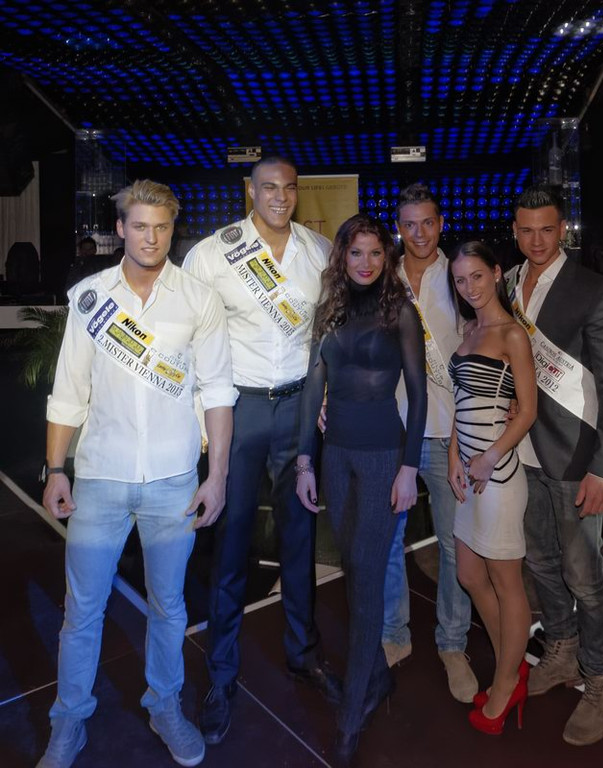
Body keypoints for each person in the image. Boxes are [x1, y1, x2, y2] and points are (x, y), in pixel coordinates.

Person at [38, 179, 238, 768]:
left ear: (173, 230)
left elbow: (217, 392)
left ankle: (164, 705)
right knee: (81, 612)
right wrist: (56, 469)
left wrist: (217, 477)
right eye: (140, 226)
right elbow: (68, 392)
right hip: (99, 479)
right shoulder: (90, 299)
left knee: (169, 608)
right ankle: (68, 721)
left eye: (162, 227)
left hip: (174, 481)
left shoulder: (198, 299)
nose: (151, 238)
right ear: (121, 228)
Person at [183, 156, 339, 747]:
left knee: (301, 537)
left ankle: (303, 654)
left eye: (289, 188)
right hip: (238, 409)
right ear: (249, 191)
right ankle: (221, 675)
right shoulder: (212, 254)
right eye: (268, 187)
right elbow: (190, 342)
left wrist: (326, 397)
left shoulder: (319, 252)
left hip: (299, 408)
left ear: (298, 193)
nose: (279, 197)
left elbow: (328, 334)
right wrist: (203, 424)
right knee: (230, 543)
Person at [296, 213, 427, 766]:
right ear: (342, 257)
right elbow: (313, 387)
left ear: (386, 257)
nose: (366, 263)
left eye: (376, 253)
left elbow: (418, 394)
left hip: (381, 459)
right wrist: (305, 460)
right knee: (354, 567)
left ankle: (351, 714)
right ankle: (377, 676)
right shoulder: (329, 309)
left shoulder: (401, 312)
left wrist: (409, 468)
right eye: (356, 253)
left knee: (368, 577)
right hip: (336, 457)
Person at [508, 186, 603, 745]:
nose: (537, 240)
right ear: (515, 231)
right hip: (523, 453)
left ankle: (602, 679)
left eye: (547, 229)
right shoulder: (509, 284)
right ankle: (561, 648)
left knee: (585, 576)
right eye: (526, 230)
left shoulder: (595, 291)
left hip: (577, 459)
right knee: (539, 563)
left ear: (563, 230)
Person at [381, 183, 479, 703]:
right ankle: (393, 633)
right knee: (387, 542)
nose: (419, 233)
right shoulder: (382, 275)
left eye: (427, 223)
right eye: (409, 224)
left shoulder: (460, 275)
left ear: (441, 224)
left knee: (452, 545)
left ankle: (452, 643)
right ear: (399, 228)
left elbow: (480, 350)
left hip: (448, 433)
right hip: (392, 432)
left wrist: (469, 434)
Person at [446, 241, 537, 735]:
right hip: (469, 475)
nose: (469, 287)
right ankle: (511, 666)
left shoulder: (512, 335)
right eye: (460, 280)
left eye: (477, 276)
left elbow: (527, 412)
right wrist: (454, 456)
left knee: (506, 582)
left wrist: (487, 457)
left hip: (499, 478)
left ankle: (505, 686)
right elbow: (461, 401)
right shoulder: (469, 330)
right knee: (469, 574)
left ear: (497, 273)